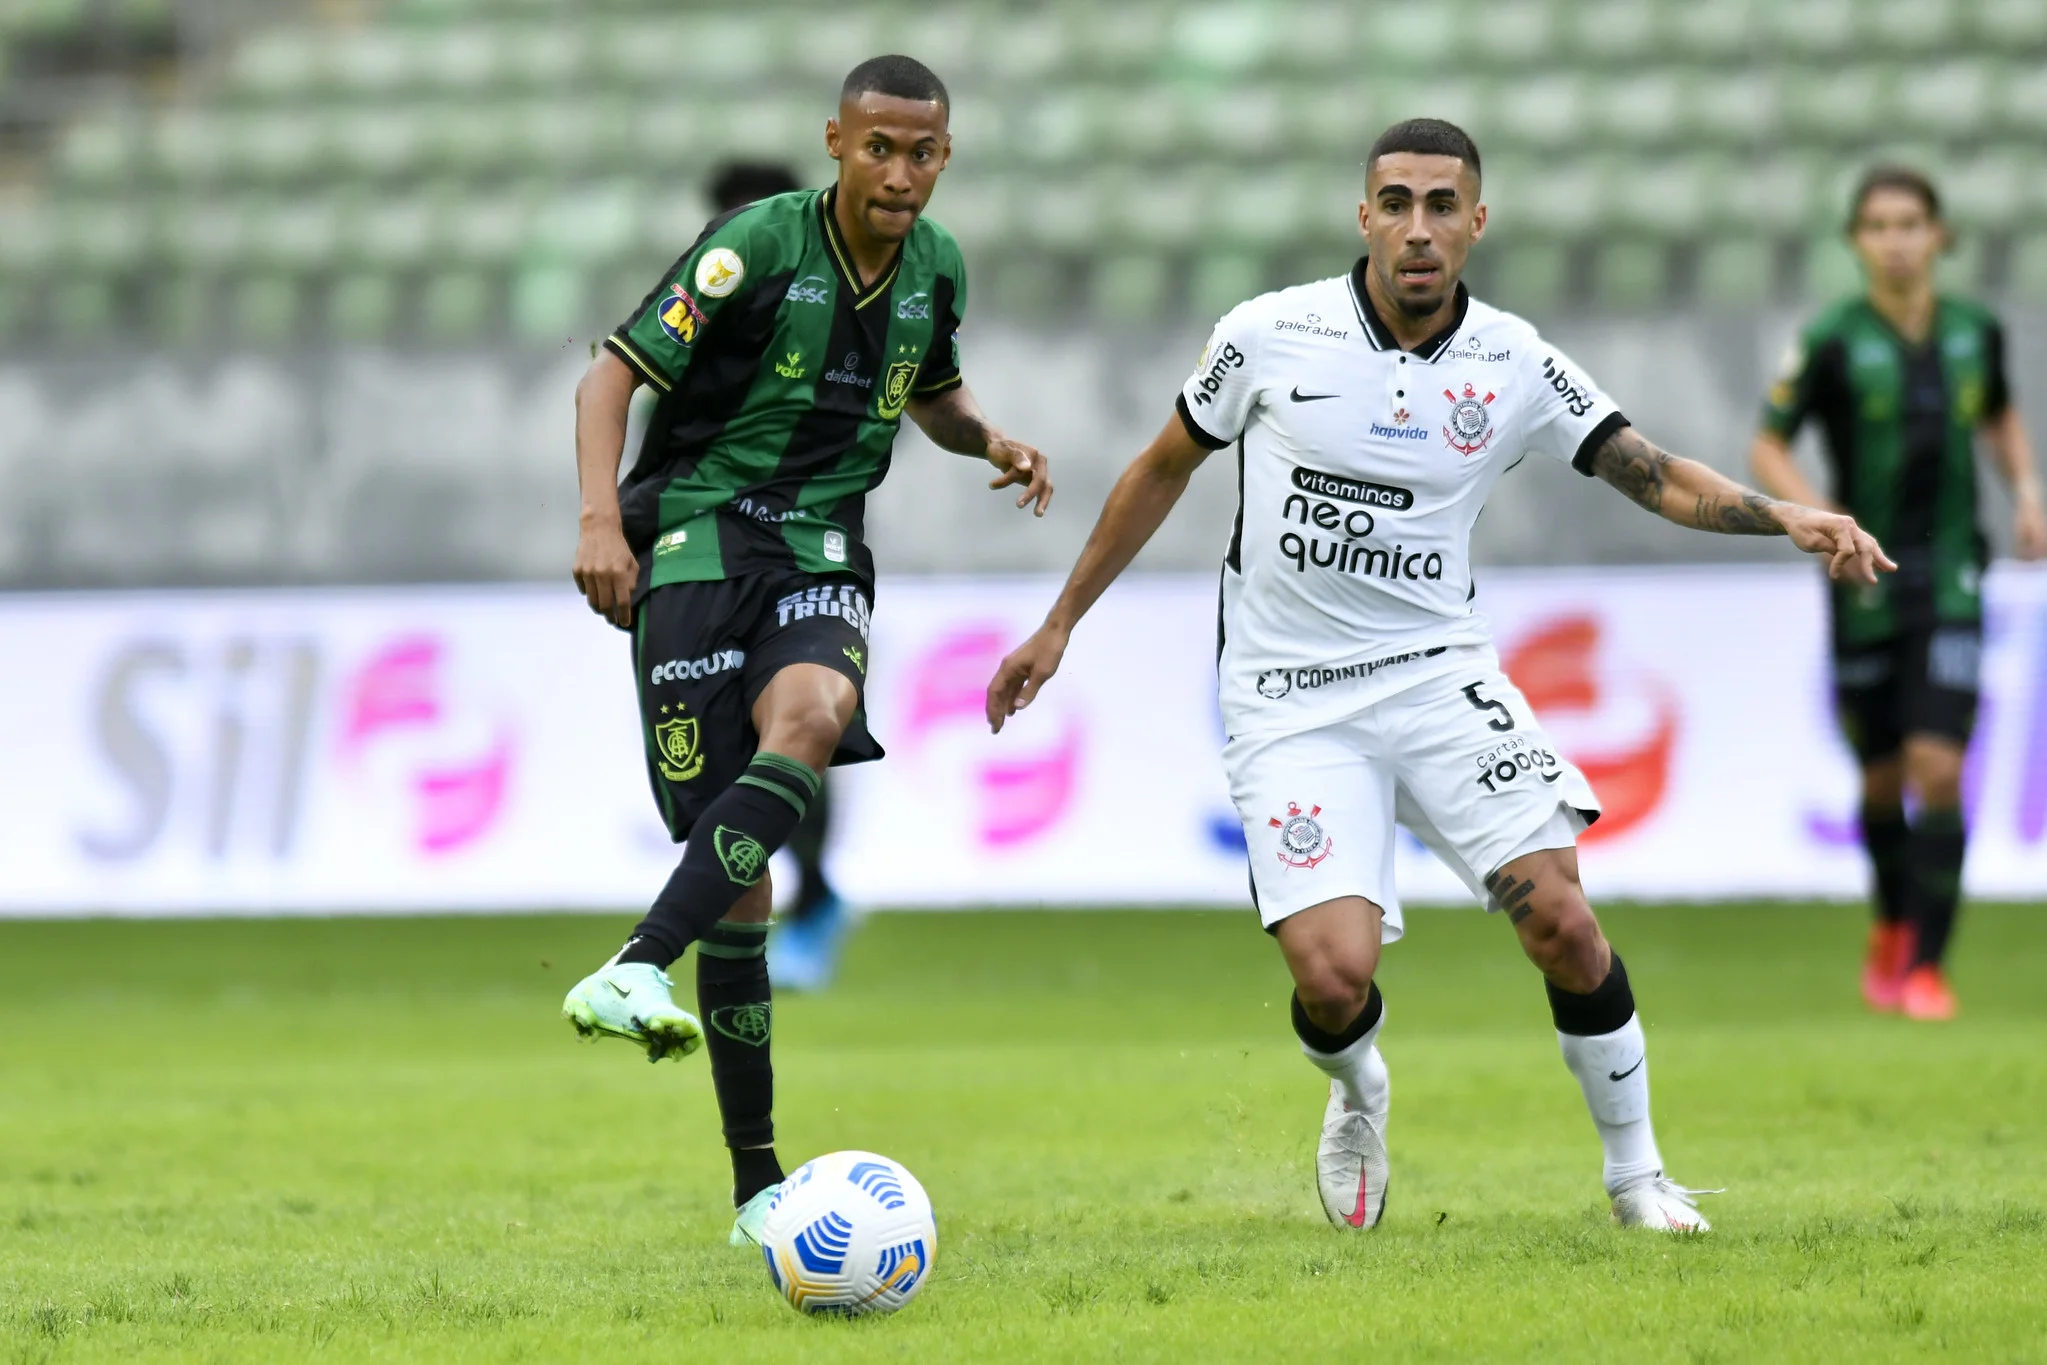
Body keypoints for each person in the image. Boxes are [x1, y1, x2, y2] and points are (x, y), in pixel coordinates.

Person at [986, 119, 1892, 1233]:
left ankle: (1637, 1178)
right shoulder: (1270, 335)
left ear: (1476, 221)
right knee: (1332, 979)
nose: (1419, 228)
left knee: (1558, 918)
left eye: (1441, 205)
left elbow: (1646, 471)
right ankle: (1359, 1091)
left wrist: (1788, 515)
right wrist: (1059, 623)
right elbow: (1161, 466)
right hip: (1287, 697)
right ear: (1363, 215)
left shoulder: (1511, 359)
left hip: (1436, 679)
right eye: (1397, 203)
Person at [560, 54, 1052, 1247]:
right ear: (835, 142)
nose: (898, 172)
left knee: (815, 720)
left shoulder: (937, 267)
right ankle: (754, 1189)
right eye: (876, 147)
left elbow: (926, 392)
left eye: (921, 152)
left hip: (821, 549)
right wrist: (594, 523)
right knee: (742, 886)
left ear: (944, 157)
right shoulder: (754, 247)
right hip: (691, 547)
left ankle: (633, 965)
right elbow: (609, 379)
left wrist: (986, 435)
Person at [1752, 167, 2046, 1022]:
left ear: (1938, 235)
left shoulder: (1974, 331)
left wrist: (2023, 487)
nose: (1895, 239)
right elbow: (1766, 441)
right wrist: (1807, 516)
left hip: (1952, 572)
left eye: (1909, 222)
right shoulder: (1832, 340)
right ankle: (1889, 925)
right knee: (1880, 779)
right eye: (1877, 225)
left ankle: (1925, 963)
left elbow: (1994, 411)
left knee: (1938, 766)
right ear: (1855, 241)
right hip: (1862, 577)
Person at [702, 158, 858, 992]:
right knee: (736, 758)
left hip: (807, 559)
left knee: (801, 734)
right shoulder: (693, 324)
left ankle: (814, 901)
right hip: (709, 570)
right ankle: (790, 905)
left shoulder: (835, 313)